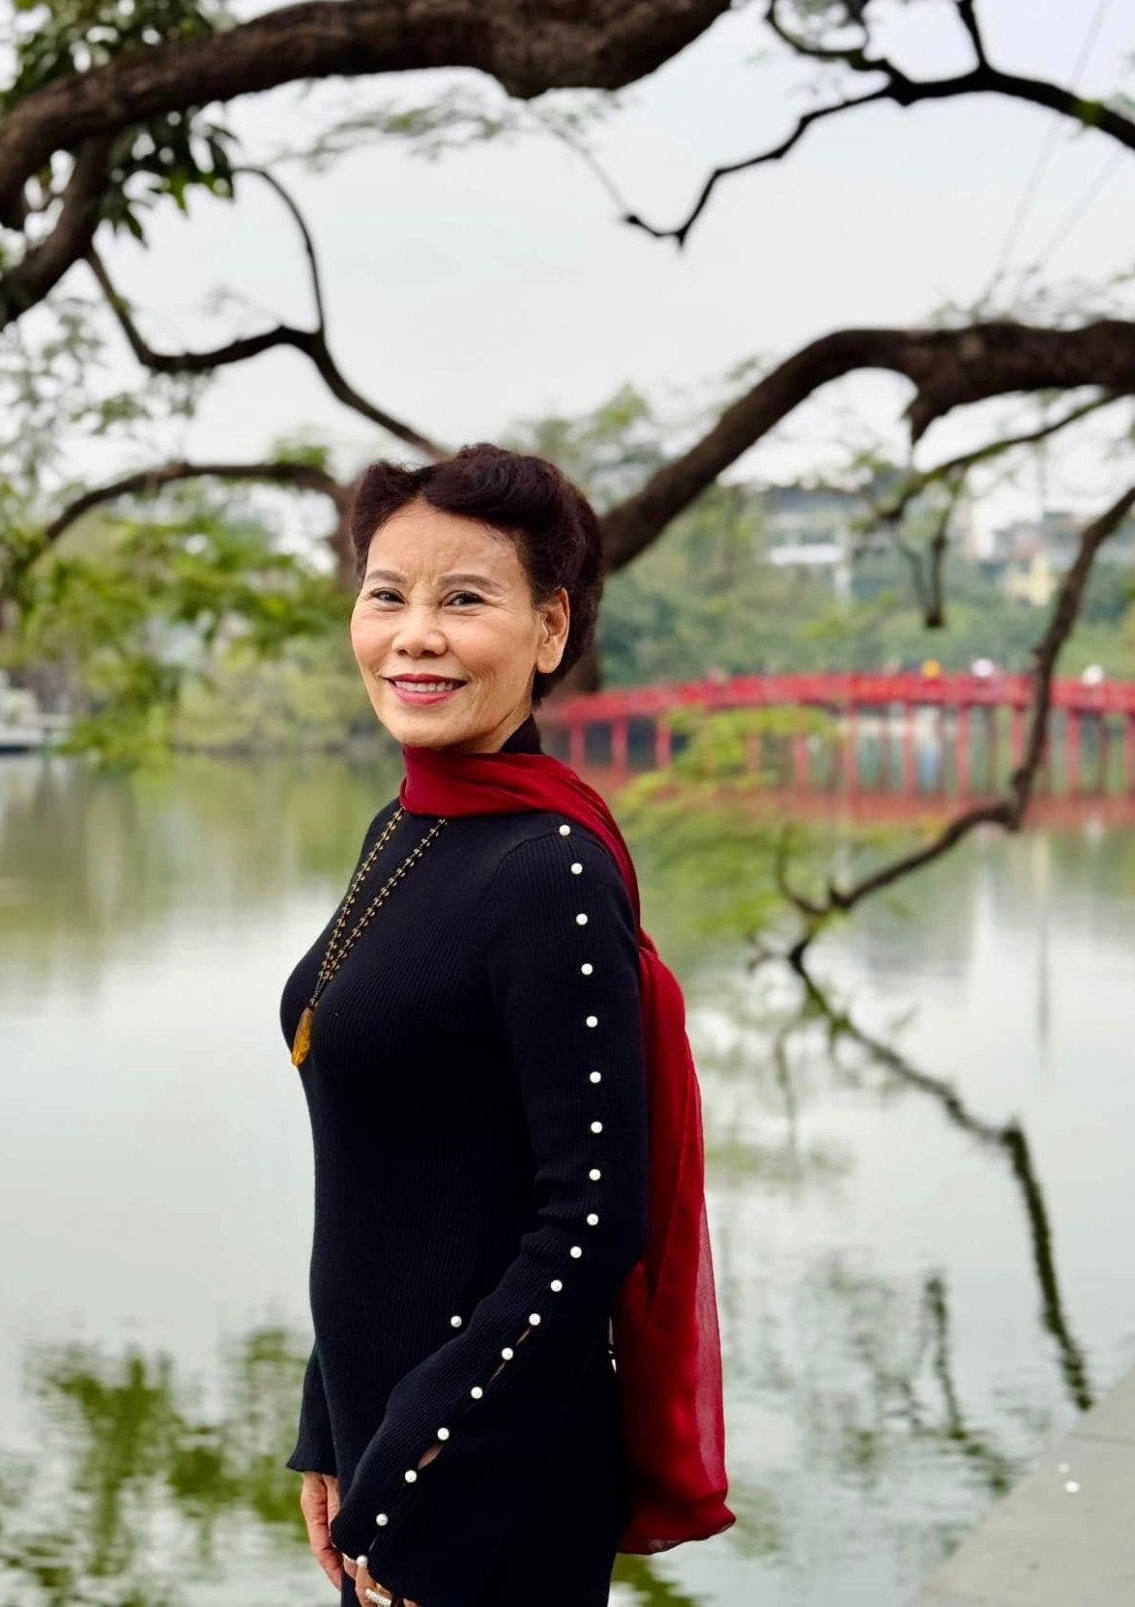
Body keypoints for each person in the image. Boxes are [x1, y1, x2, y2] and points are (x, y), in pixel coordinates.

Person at [278, 443, 733, 1607]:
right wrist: (327, 1420)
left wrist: (418, 1465)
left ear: (548, 630)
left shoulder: (546, 867)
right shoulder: (409, 825)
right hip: (386, 1431)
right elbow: (384, 1180)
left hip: (488, 1467)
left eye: (464, 601)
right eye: (387, 594)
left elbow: (588, 1224)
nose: (414, 635)